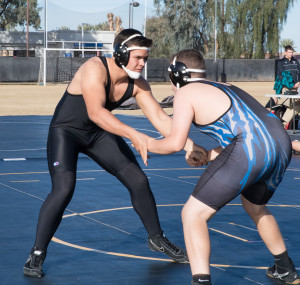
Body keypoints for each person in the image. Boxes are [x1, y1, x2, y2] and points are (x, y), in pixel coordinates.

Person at [23, 29, 206, 278]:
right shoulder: (94, 68)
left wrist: (190, 146)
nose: (142, 63)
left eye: (145, 58)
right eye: (137, 57)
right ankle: (36, 254)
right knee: (64, 188)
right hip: (66, 132)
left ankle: (157, 238)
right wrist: (134, 134)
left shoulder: (138, 84)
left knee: (138, 180)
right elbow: (96, 112)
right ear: (120, 54)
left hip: (98, 134)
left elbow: (161, 119)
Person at [146, 49, 300, 285]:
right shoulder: (224, 86)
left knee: (192, 214)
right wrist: (207, 155)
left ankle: (201, 282)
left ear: (176, 74)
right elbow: (248, 137)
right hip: (280, 143)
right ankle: (285, 268)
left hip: (252, 148)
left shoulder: (186, 93)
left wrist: (144, 142)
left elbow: (175, 142)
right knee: (255, 206)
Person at [271, 45, 300, 127]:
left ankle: (282, 124)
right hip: (286, 89)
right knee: (293, 105)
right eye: (289, 52)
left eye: (292, 52)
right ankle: (282, 124)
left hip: (296, 89)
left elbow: (299, 73)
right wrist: (291, 85)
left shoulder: (295, 61)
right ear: (285, 52)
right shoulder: (281, 63)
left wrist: (298, 83)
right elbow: (281, 77)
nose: (291, 54)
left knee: (296, 106)